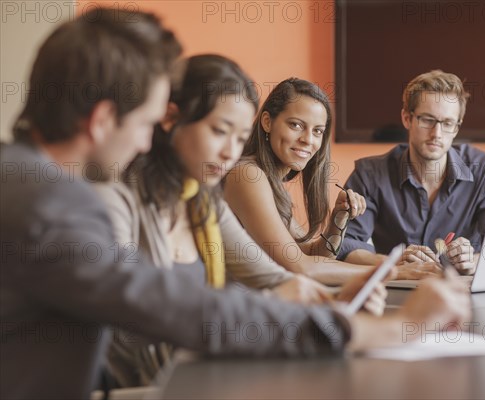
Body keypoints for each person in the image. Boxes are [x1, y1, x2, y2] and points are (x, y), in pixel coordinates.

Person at [0, 11, 471, 399]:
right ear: (103, 120)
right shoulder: (50, 204)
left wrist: (323, 303)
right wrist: (393, 329)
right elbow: (176, 310)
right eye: (148, 123)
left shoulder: (32, 182)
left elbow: (262, 285)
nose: (149, 139)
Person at [94, 54, 386, 387]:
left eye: (238, 137)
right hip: (140, 387)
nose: (230, 152)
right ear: (171, 120)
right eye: (220, 131)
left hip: (202, 374)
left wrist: (334, 300)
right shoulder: (116, 199)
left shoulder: (203, 202)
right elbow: (135, 316)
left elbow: (279, 278)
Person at [339, 70, 485, 275]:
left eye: (447, 123)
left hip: (461, 295)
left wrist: (474, 261)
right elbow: (345, 245)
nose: (436, 134)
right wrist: (393, 262)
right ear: (407, 118)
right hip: (394, 291)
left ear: (456, 128)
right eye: (427, 120)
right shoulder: (369, 174)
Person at [224, 78, 384, 285]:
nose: (308, 139)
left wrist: (339, 218)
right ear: (267, 122)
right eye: (296, 125)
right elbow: (301, 267)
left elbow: (313, 253)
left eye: (317, 130)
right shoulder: (247, 176)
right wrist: (393, 273)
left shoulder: (270, 182)